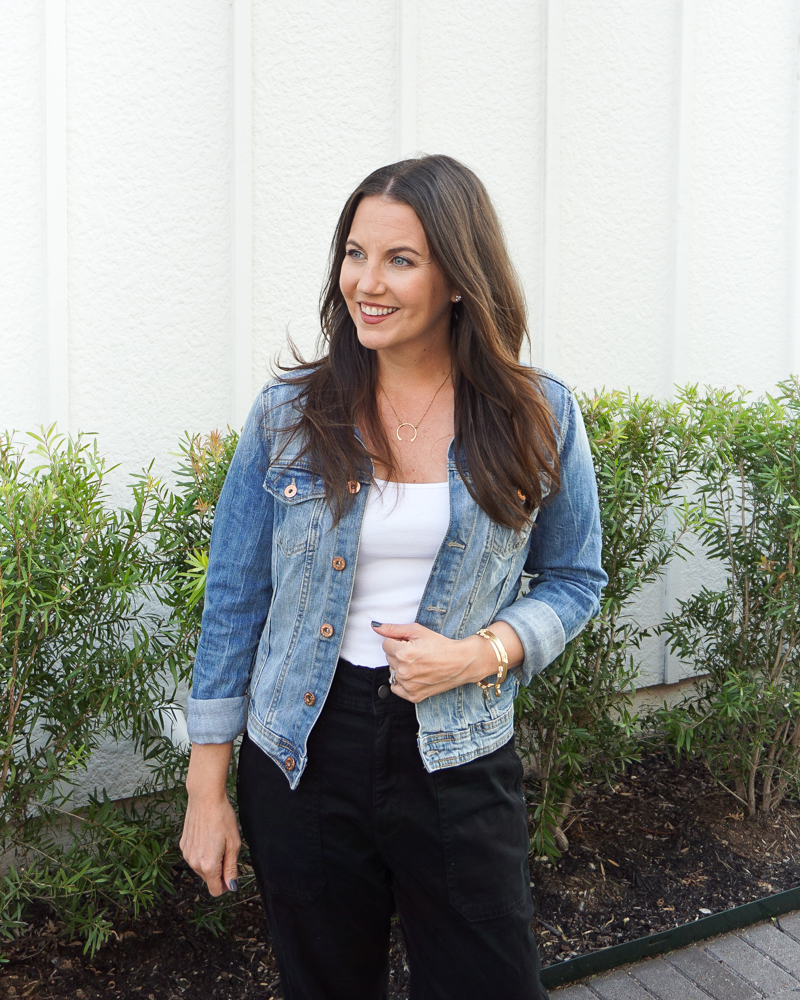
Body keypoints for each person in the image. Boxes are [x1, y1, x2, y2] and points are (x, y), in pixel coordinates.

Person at [180, 154, 606, 1000]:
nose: (366, 283)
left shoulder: (537, 412)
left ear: (458, 275)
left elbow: (574, 577)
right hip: (303, 749)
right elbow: (233, 599)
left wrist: (483, 651)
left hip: (456, 746)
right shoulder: (289, 415)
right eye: (354, 254)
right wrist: (205, 790)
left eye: (400, 260)